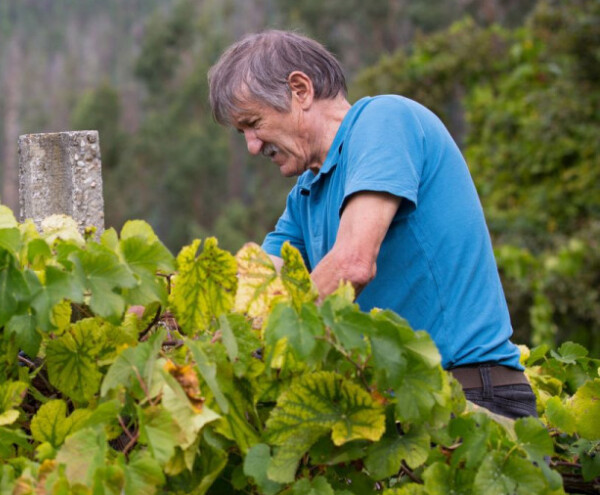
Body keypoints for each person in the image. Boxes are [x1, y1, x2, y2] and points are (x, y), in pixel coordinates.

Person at [207, 30, 537, 419]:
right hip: (403, 403)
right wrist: (172, 318)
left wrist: (262, 339)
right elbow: (251, 283)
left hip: (473, 396)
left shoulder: (383, 121)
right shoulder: (306, 194)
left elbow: (353, 263)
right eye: (241, 133)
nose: (252, 146)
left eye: (253, 123)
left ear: (300, 90)